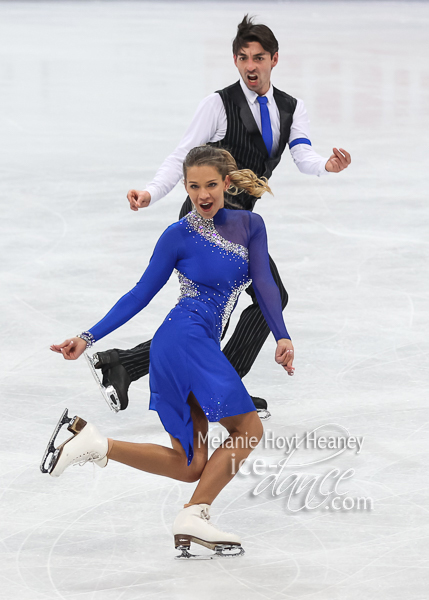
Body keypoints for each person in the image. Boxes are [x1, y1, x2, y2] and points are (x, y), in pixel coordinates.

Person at [43, 146, 295, 558]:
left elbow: (265, 284)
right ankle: (196, 513)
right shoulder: (177, 235)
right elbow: (140, 294)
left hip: (191, 344)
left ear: (227, 184)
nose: (202, 195)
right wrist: (87, 337)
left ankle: (93, 443)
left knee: (191, 463)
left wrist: (282, 335)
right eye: (193, 186)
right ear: (185, 187)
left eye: (210, 185)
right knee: (248, 429)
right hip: (184, 340)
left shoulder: (251, 225)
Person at [94, 15, 350, 415]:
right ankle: (218, 386)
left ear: (274, 60)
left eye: (259, 57)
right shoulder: (217, 104)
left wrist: (326, 167)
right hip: (208, 214)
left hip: (242, 222)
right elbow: (183, 156)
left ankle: (125, 364)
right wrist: (151, 192)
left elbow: (302, 153)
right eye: (243, 57)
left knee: (228, 308)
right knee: (244, 303)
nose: (251, 66)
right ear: (235, 61)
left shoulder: (290, 108)